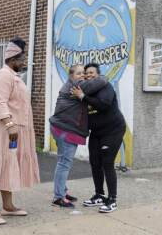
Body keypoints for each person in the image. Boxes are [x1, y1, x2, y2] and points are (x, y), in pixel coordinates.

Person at [0, 37, 40, 225]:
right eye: (22, 60)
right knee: (0, 164)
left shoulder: (13, 76)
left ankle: (8, 206)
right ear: (13, 59)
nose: (24, 63)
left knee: (8, 164)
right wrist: (9, 124)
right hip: (2, 129)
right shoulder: (4, 75)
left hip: (10, 129)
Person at [49, 64, 107, 208]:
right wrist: (97, 76)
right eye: (79, 73)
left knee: (62, 162)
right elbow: (101, 81)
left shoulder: (72, 85)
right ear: (71, 76)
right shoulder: (76, 87)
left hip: (61, 128)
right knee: (64, 163)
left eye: (83, 73)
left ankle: (61, 191)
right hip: (65, 130)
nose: (82, 76)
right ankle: (59, 197)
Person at [71, 63, 126, 213]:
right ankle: (100, 195)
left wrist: (83, 97)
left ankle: (112, 199)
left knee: (107, 163)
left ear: (98, 74)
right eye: (86, 73)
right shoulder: (84, 90)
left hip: (113, 130)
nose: (88, 75)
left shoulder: (105, 86)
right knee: (95, 162)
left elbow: (104, 105)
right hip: (96, 132)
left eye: (91, 73)